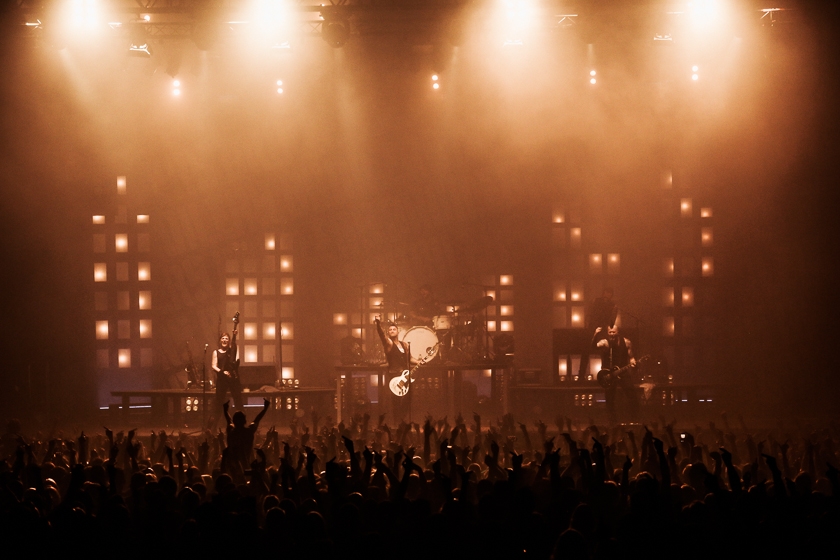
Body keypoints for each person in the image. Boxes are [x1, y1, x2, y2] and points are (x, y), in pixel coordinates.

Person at [594, 325, 639, 423]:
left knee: (632, 394)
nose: (611, 334)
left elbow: (631, 357)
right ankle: (612, 420)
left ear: (618, 332)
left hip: (622, 372)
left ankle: (634, 418)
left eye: (613, 332)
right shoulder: (605, 342)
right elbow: (594, 346)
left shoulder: (627, 342)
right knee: (609, 398)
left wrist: (633, 362)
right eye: (610, 332)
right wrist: (595, 334)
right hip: (609, 374)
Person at [223, 397, 270, 479]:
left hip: (231, 467)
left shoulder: (231, 431)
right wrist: (265, 408)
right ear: (245, 420)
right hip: (247, 464)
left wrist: (225, 410)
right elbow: (256, 420)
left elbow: (229, 420)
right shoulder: (249, 431)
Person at [578, 287, 618, 378]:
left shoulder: (611, 304)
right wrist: (587, 325)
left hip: (602, 329)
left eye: (610, 293)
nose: (608, 295)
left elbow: (612, 318)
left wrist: (609, 327)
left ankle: (605, 372)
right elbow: (589, 313)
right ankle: (581, 375)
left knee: (604, 351)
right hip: (593, 328)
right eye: (607, 293)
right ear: (604, 293)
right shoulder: (596, 301)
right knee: (587, 350)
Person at [211, 330, 243, 425]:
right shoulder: (216, 352)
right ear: (220, 340)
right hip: (222, 379)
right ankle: (214, 426)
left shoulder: (232, 351)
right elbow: (213, 366)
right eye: (223, 338)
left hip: (233, 378)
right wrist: (222, 372)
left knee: (238, 401)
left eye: (226, 339)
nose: (224, 340)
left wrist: (234, 336)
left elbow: (236, 358)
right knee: (219, 402)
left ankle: (240, 423)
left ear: (228, 341)